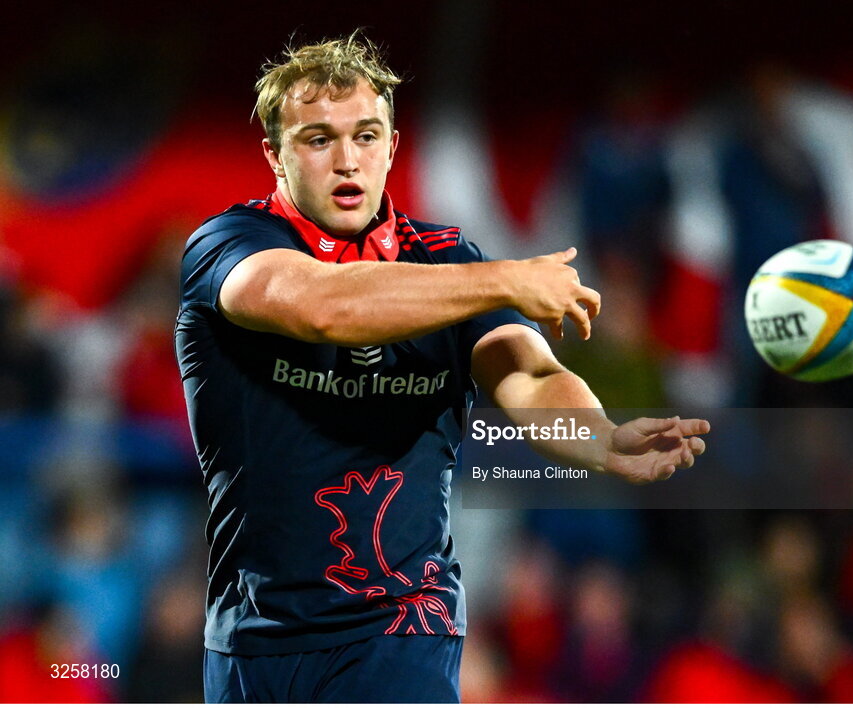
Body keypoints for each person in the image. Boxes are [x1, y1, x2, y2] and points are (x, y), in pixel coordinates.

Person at [176, 32, 709, 703]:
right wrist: (503, 280)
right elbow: (320, 307)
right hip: (256, 639)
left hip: (405, 630)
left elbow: (531, 378)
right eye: (318, 139)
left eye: (367, 136)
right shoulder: (228, 246)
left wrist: (598, 437)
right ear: (275, 156)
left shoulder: (452, 262)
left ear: (393, 148)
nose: (347, 160)